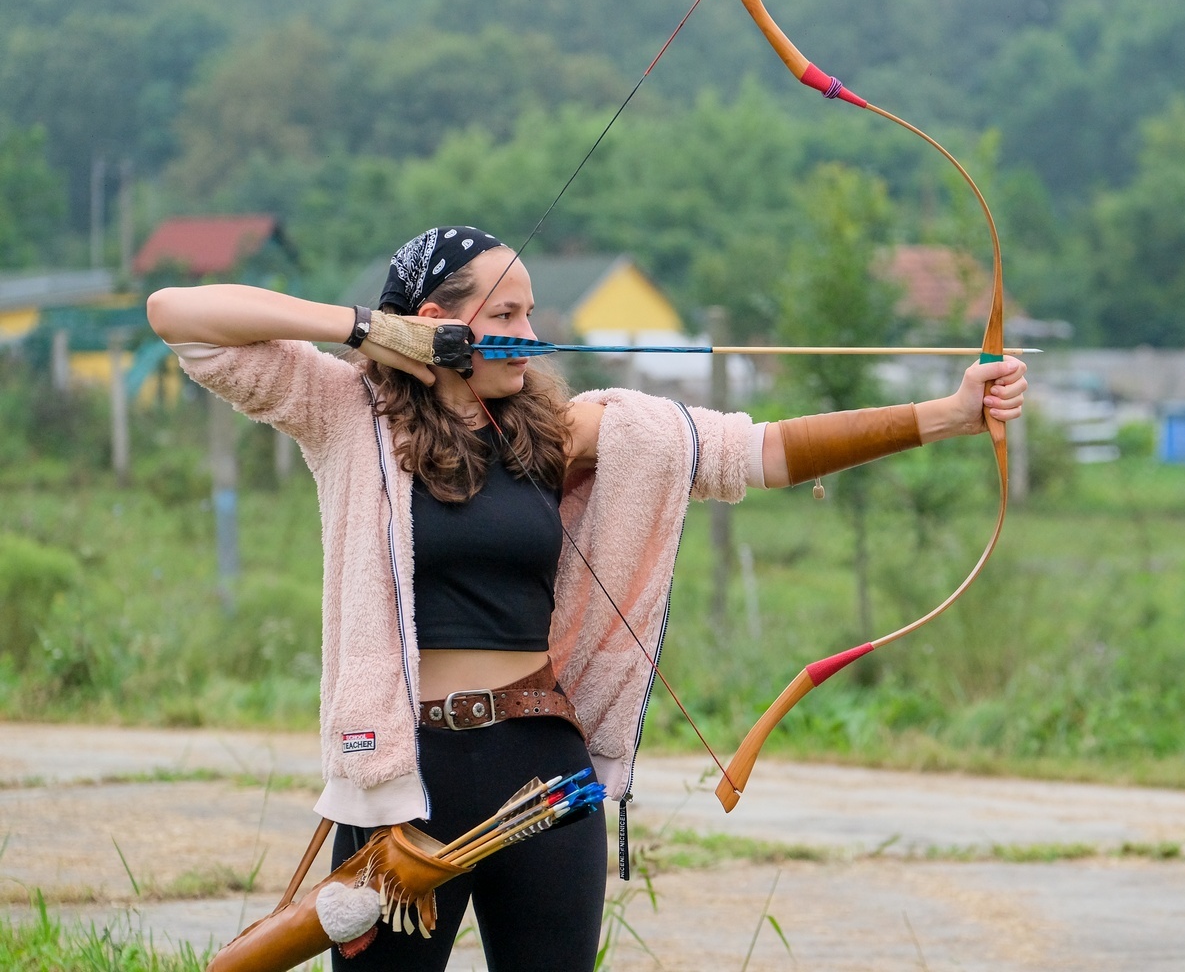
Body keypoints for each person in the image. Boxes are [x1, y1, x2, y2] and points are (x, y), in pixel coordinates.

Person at [145, 226, 1027, 972]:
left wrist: (947, 416)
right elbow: (178, 317)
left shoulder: (562, 435)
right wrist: (365, 331)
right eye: (505, 316)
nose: (529, 334)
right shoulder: (348, 416)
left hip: (542, 775)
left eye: (531, 313)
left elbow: (755, 450)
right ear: (435, 325)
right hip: (403, 787)